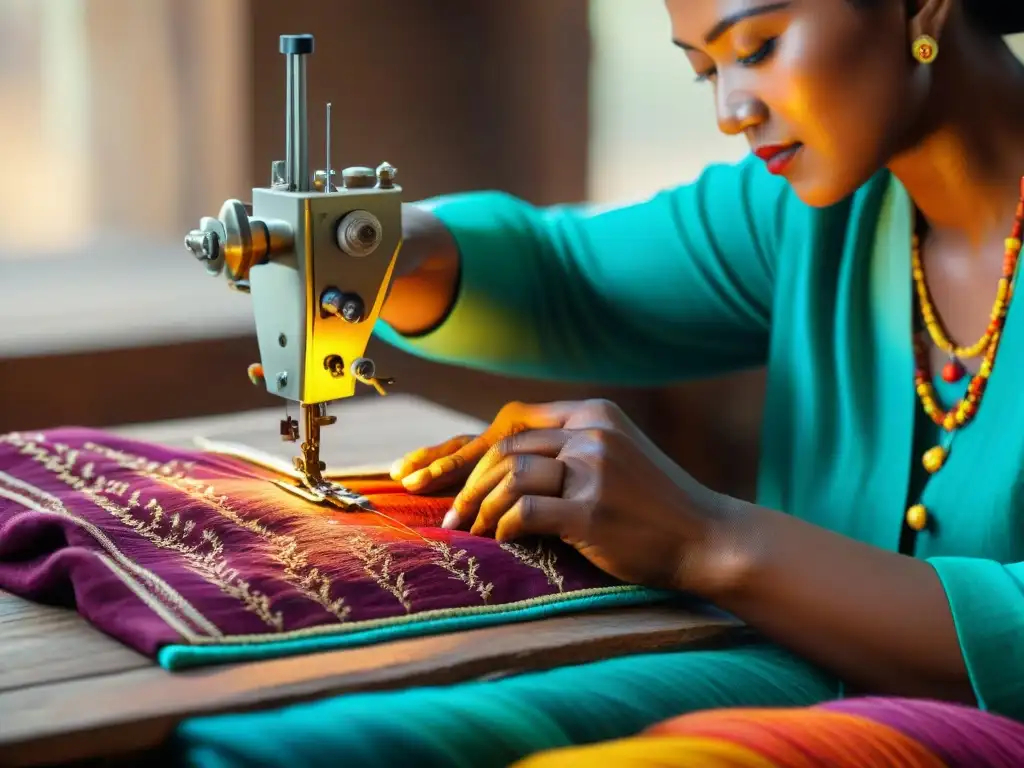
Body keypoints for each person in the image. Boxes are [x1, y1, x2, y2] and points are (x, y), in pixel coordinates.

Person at [176, 1, 1024, 766]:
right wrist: (382, 245)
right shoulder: (813, 213)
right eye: (705, 69)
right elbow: (571, 276)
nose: (733, 111)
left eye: (759, 45)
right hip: (820, 676)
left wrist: (705, 538)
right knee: (291, 748)